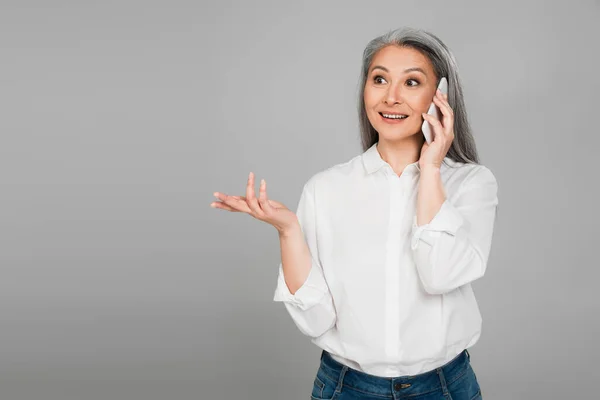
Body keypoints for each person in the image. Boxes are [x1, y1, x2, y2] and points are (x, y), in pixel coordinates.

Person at [211, 26, 496, 400]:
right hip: (347, 388)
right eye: (380, 80)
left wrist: (430, 169)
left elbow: (439, 274)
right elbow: (317, 321)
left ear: (440, 97)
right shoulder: (324, 189)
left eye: (411, 83)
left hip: (443, 388)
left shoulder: (472, 184)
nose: (391, 97)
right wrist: (288, 231)